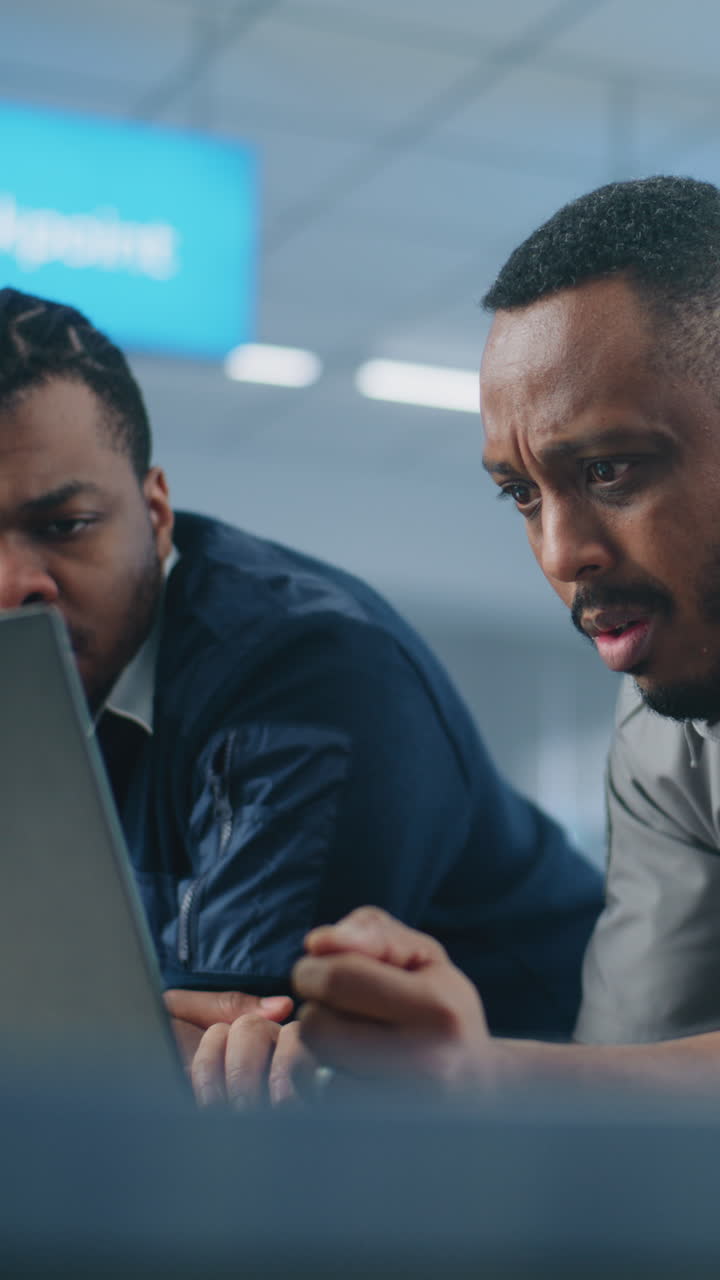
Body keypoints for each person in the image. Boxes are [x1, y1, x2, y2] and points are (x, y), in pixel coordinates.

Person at [194, 174, 720, 1104]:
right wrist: (383, 1065)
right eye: (522, 493)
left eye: (610, 470)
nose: (560, 553)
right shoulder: (664, 731)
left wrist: (488, 1074)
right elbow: (638, 1097)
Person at [0, 285, 602, 1056]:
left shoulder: (306, 668)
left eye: (65, 526)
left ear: (155, 516)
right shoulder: (37, 693)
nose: (15, 586)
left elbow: (228, 1060)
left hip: (571, 1100)